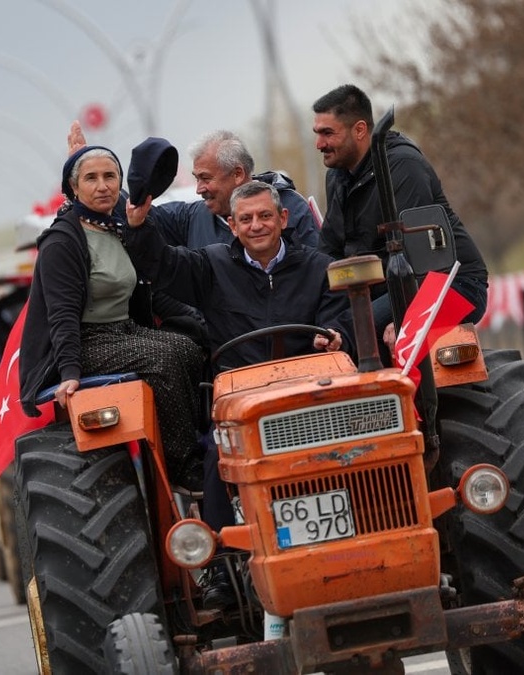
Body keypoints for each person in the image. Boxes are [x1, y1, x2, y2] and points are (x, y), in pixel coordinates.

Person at [123, 179, 354, 609]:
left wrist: (333, 338)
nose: (256, 225)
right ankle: (222, 567)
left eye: (265, 216)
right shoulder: (211, 266)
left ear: (283, 219)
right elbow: (162, 264)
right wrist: (138, 227)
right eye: (245, 219)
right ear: (231, 226)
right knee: (216, 451)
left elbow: (338, 323)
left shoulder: (318, 267)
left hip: (309, 392)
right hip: (241, 402)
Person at [18, 144, 205, 487]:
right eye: (91, 178)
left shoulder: (117, 223)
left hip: (125, 331)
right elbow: (61, 315)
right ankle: (184, 468)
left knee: (191, 348)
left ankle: (202, 442)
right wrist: (70, 371)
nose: (102, 185)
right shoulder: (62, 242)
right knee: (164, 360)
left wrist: (200, 322)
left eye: (110, 176)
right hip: (84, 342)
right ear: (73, 188)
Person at [312, 84, 488, 346]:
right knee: (317, 325)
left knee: (349, 331)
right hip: (388, 288)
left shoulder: (403, 166)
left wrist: (401, 316)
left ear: (359, 130)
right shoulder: (338, 176)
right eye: (317, 133)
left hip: (450, 285)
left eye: (327, 133)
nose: (319, 144)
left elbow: (420, 259)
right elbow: (330, 253)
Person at [68, 123, 320, 250]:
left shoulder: (291, 208)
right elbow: (139, 211)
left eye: (206, 178)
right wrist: (85, 176)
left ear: (238, 174)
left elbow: (319, 274)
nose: (199, 189)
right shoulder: (192, 218)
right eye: (196, 178)